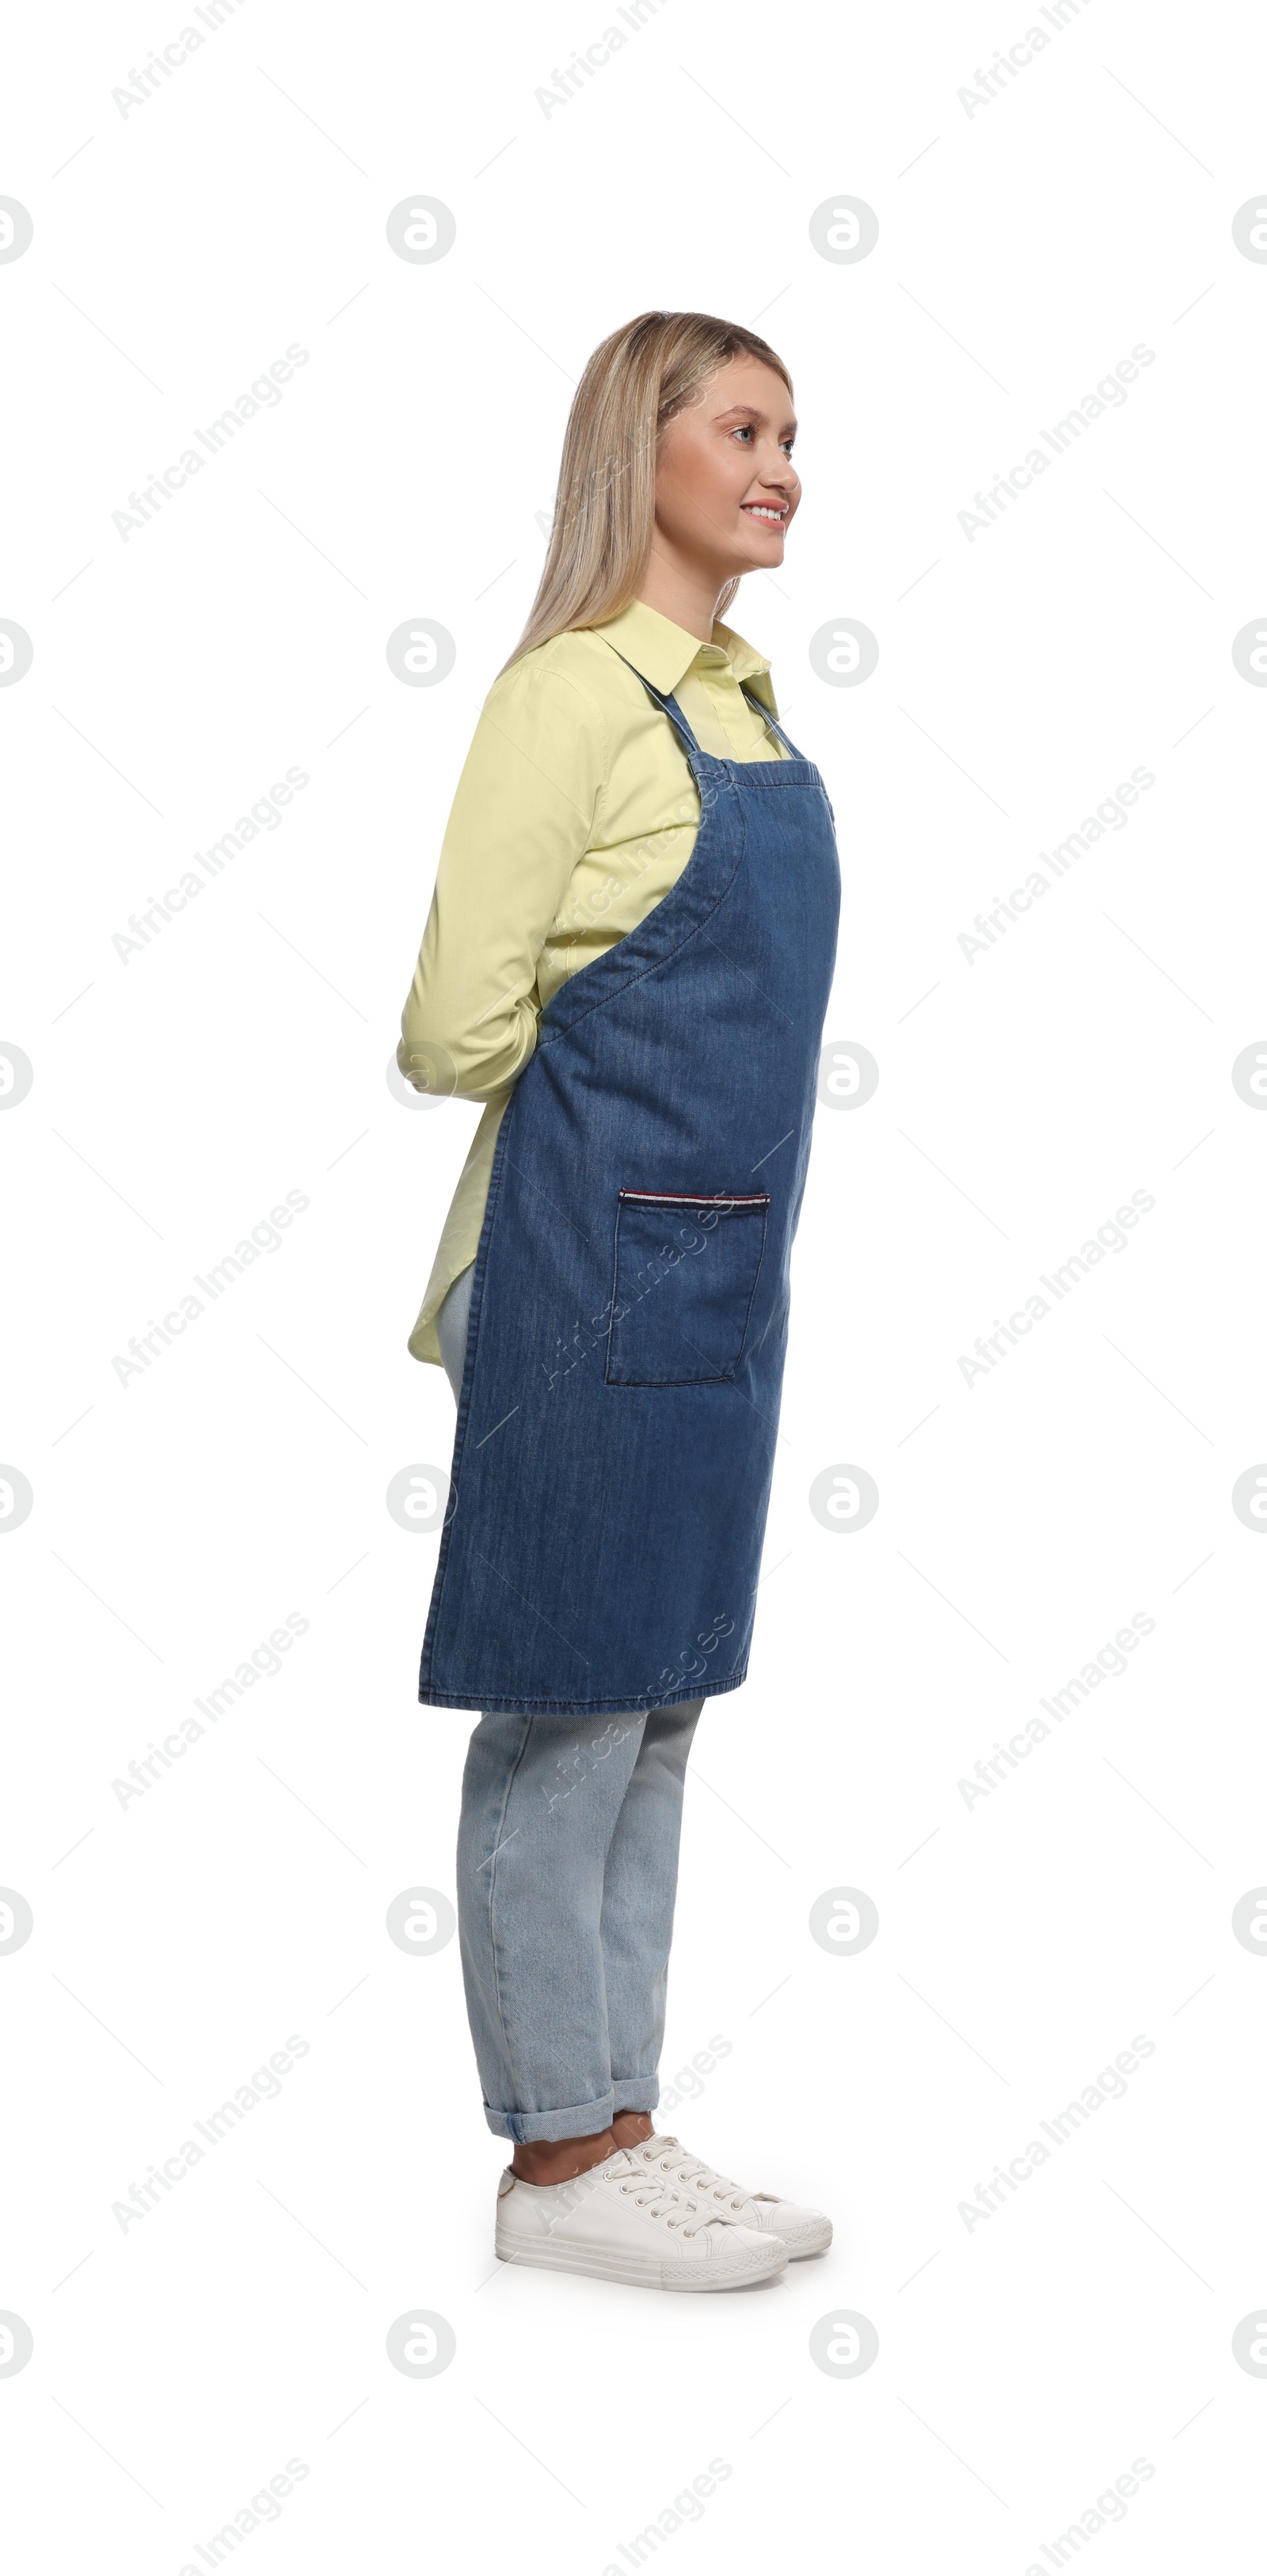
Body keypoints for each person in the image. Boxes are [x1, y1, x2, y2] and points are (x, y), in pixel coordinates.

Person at [397, 310, 839, 2291]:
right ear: (635, 450)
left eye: (790, 435)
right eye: (738, 426)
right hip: (583, 1271)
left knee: (657, 1703)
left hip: (722, 1277)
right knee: (563, 1709)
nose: (777, 464)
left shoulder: (749, 707)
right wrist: (602, 1136)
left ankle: (620, 2123)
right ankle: (550, 2158)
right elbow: (448, 1028)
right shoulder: (575, 698)